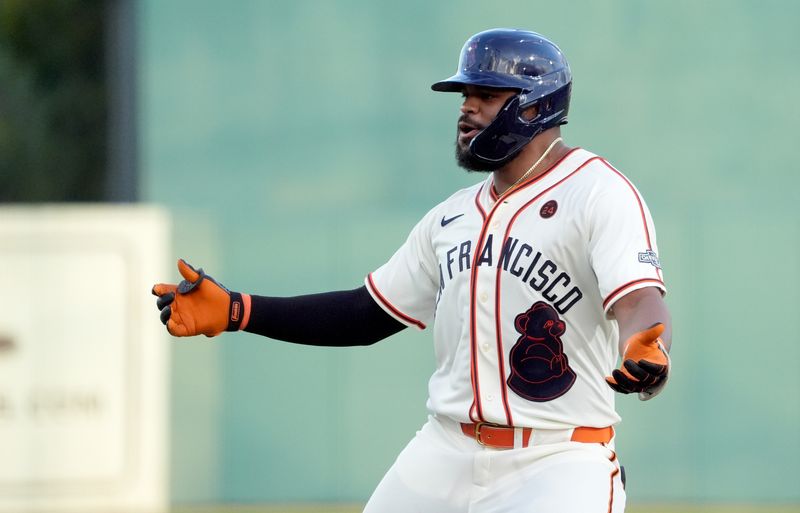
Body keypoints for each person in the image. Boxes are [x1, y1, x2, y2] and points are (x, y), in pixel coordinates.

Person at [152, 28, 672, 513]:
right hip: (445, 448)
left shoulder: (597, 193)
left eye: (486, 95)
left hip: (558, 458)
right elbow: (365, 314)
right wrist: (240, 310)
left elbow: (637, 299)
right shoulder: (451, 217)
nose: (466, 108)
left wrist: (645, 345)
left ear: (535, 107)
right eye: (464, 96)